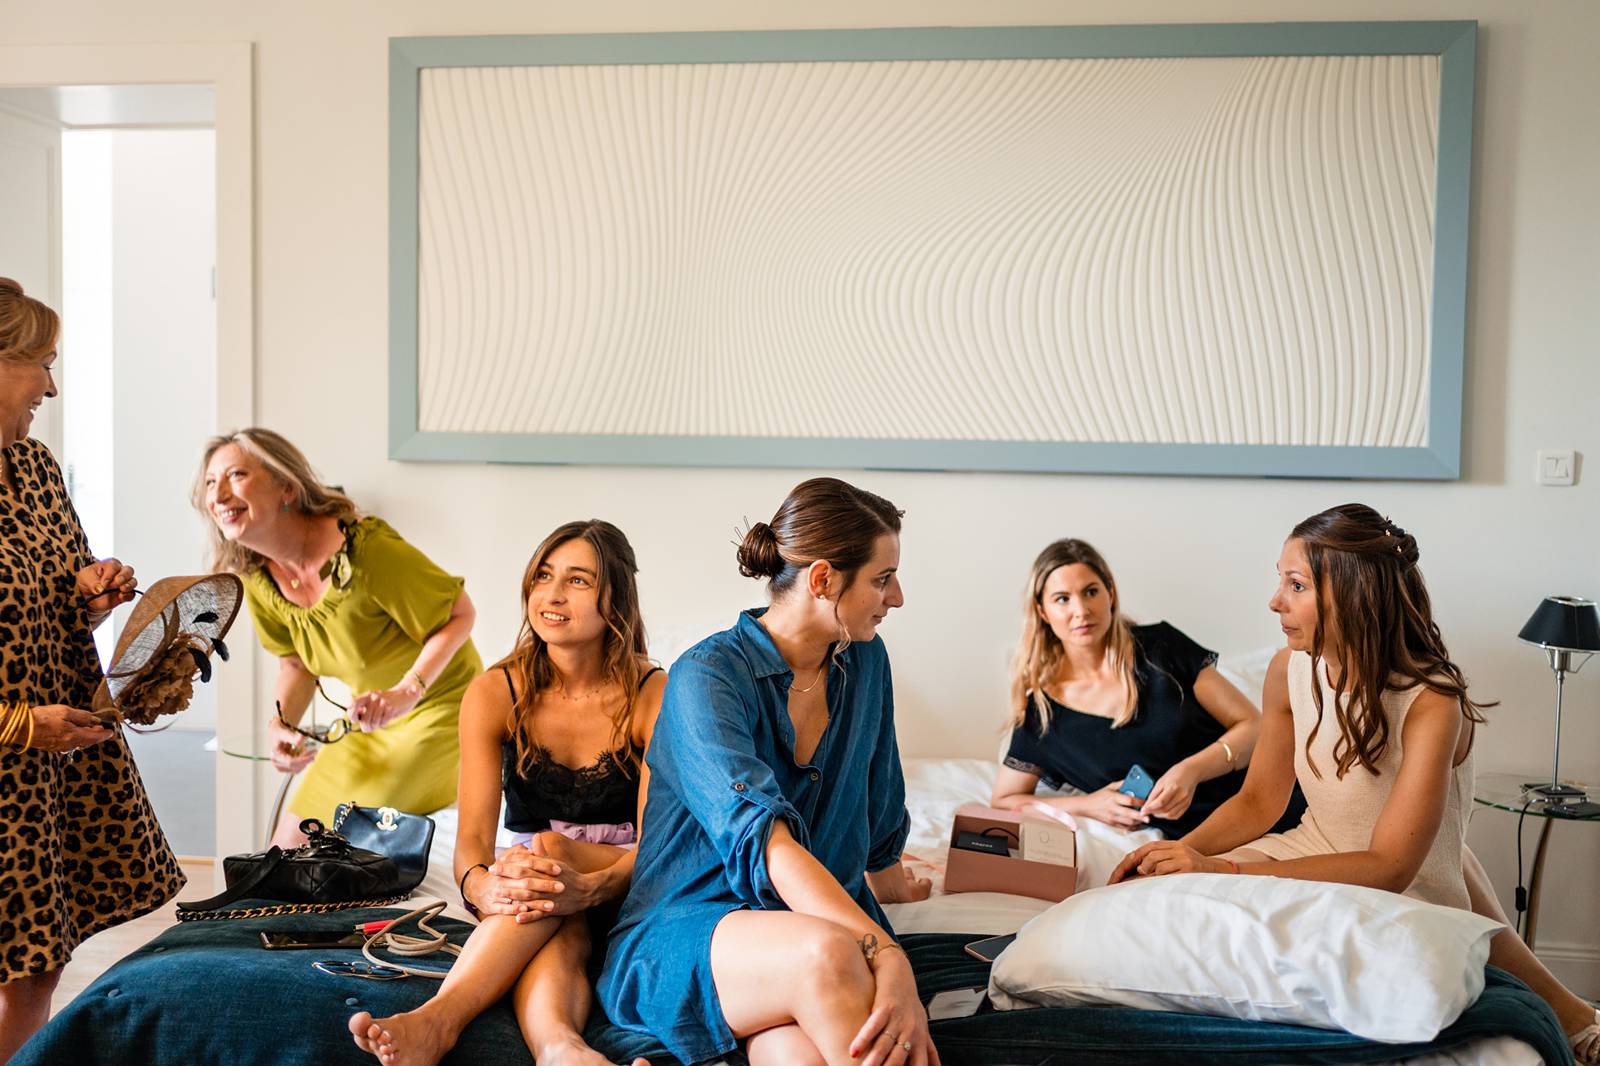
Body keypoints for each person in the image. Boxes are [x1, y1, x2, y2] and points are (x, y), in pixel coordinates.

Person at [1109, 504, 1600, 1064]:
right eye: (1280, 580)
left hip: (1398, 881)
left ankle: (1576, 1019)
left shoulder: (1431, 701)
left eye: (1295, 585)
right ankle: (1578, 1017)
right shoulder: (1286, 670)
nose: (1275, 601)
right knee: (1159, 900)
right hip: (1307, 849)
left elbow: (1391, 866)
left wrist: (1224, 868)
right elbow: (1259, 802)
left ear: (1354, 594)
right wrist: (1183, 850)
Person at [598, 477, 935, 1066]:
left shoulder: (867, 661)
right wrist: (885, 952)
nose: (898, 597)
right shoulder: (706, 677)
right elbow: (765, 845)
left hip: (799, 936)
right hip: (689, 933)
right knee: (831, 955)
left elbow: (878, 804)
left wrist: (893, 887)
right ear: (824, 579)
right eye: (883, 579)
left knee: (802, 1053)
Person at [348, 520, 664, 1066]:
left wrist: (585, 887)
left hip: (633, 879)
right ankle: (562, 1051)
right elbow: (471, 844)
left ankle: (439, 1021)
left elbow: (659, 845)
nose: (553, 594)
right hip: (534, 889)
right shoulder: (495, 692)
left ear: (615, 600)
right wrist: (483, 889)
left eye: (579, 580)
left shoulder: (651, 693)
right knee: (547, 903)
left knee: (546, 856)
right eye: (544, 575)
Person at [0, 278, 184, 1060]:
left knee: (34, 966)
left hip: (44, 767)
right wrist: (16, 725)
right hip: (17, 744)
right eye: (37, 362)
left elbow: (50, 597)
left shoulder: (34, 467)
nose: (49, 383)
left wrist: (93, 593)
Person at [195, 429, 481, 845]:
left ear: (286, 487)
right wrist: (281, 724)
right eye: (209, 482)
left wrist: (407, 691)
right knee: (285, 847)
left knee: (332, 844)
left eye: (236, 475)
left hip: (442, 710)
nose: (218, 495)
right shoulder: (257, 576)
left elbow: (461, 612)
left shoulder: (366, 550)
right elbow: (296, 663)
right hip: (367, 722)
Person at [992, 539, 1302, 839]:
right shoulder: (1042, 716)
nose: (1081, 610)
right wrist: (1089, 805)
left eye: (1090, 592)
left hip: (1279, 804)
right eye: (1062, 598)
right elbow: (1004, 800)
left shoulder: (1160, 648)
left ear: (1110, 594)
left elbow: (1254, 726)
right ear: (1043, 611)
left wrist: (1192, 771)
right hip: (1205, 841)